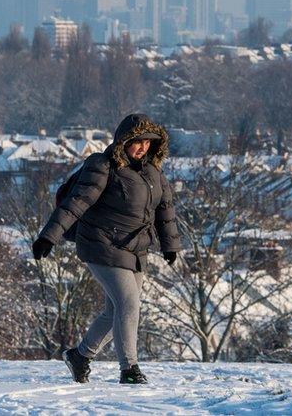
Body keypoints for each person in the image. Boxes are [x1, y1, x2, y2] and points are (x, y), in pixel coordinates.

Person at [31, 113, 181, 384]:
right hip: (100, 243)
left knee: (115, 310)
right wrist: (48, 237)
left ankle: (80, 356)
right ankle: (129, 369)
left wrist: (170, 245)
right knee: (129, 303)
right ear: (124, 140)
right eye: (137, 141)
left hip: (134, 249)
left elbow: (165, 211)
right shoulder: (103, 165)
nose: (143, 147)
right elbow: (76, 202)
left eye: (148, 143)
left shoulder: (153, 173)